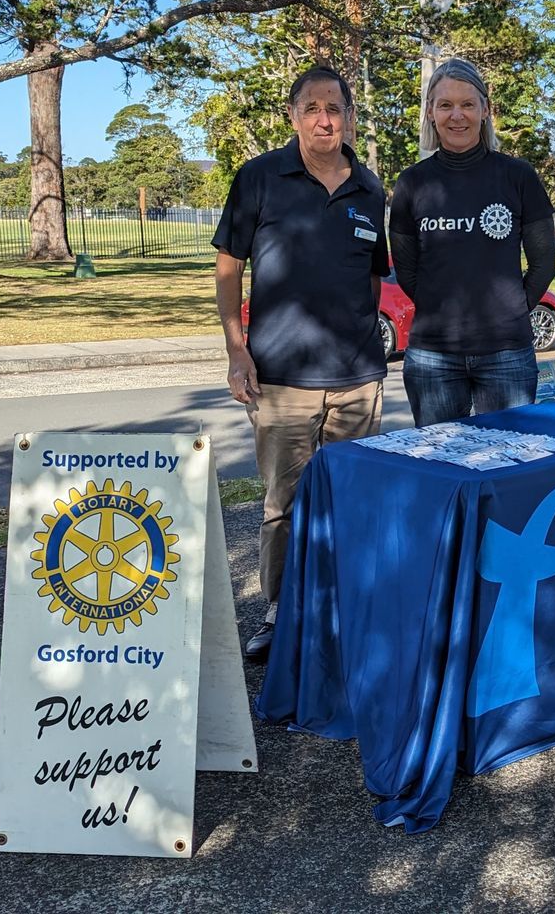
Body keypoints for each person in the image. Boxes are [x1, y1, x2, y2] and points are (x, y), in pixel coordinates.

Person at [213, 66, 389, 663]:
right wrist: (238, 349)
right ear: (293, 116)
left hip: (358, 380)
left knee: (349, 502)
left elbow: (371, 275)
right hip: (281, 379)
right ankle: (280, 612)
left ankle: (341, 609)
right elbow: (229, 269)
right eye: (312, 107)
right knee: (282, 505)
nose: (324, 118)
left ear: (349, 117)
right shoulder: (260, 178)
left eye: (334, 107)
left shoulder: (369, 189)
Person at [389, 58, 555, 427]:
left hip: (507, 352)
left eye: (467, 104)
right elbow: (406, 269)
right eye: (445, 105)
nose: (457, 115)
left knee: (509, 464)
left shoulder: (518, 176)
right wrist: (440, 307)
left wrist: (509, 309)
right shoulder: (412, 183)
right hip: (433, 356)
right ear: (431, 113)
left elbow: (544, 263)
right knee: (440, 466)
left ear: (485, 109)